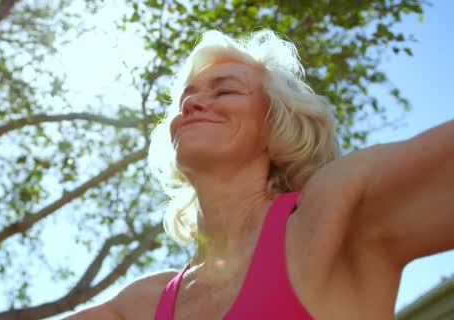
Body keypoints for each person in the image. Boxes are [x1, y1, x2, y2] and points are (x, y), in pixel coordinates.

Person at [64, 29, 454, 319]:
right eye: (187, 97)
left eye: (225, 92)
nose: (194, 103)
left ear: (276, 125)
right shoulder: (142, 303)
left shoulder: (331, 213)